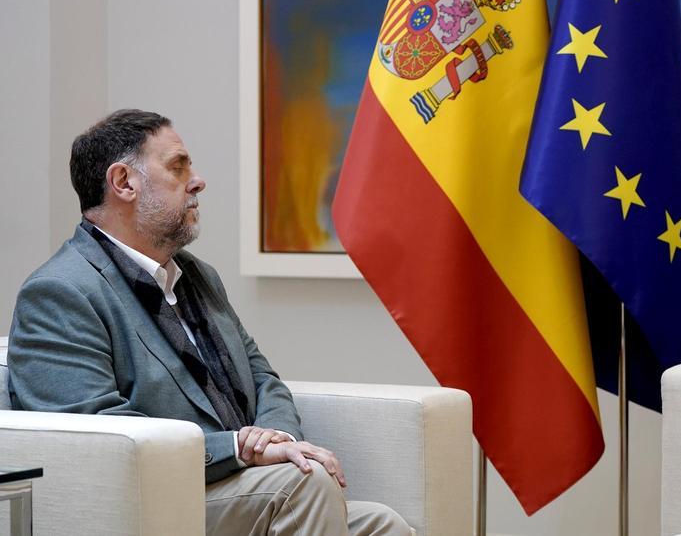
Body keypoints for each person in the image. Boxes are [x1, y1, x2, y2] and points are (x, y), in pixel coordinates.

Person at [7, 109, 410, 536]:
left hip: (233, 485)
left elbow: (261, 377)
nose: (197, 181)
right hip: (151, 503)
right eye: (178, 166)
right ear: (124, 183)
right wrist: (238, 449)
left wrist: (276, 438)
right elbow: (95, 438)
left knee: (384, 525)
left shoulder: (196, 276)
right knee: (302, 486)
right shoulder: (60, 291)